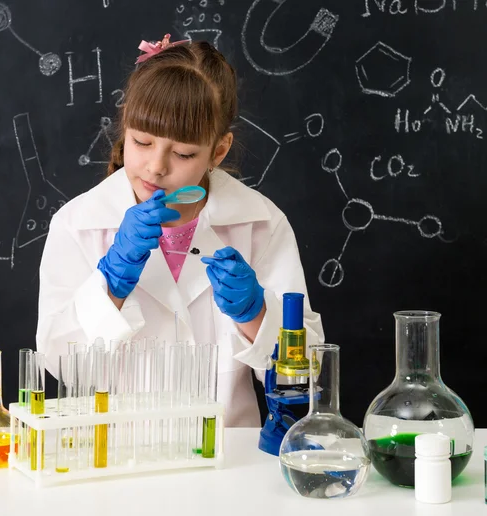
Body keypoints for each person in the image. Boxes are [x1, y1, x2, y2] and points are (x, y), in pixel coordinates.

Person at [36, 35, 324, 427]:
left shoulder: (261, 223)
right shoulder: (77, 224)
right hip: (120, 458)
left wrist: (257, 315)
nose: (155, 166)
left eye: (184, 154)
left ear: (218, 151)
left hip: (227, 456)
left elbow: (305, 374)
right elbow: (59, 364)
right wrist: (110, 286)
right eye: (141, 141)